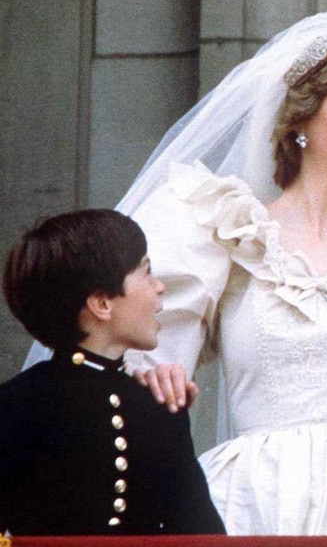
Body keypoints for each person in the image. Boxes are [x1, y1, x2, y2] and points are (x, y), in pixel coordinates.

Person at [20, 12, 327, 535]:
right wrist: (152, 378)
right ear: (300, 117)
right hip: (249, 505)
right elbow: (136, 383)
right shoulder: (222, 233)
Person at [0, 209, 225, 536]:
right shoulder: (18, 405)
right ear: (102, 304)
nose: (160, 287)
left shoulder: (159, 408)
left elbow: (202, 537)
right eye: (146, 272)